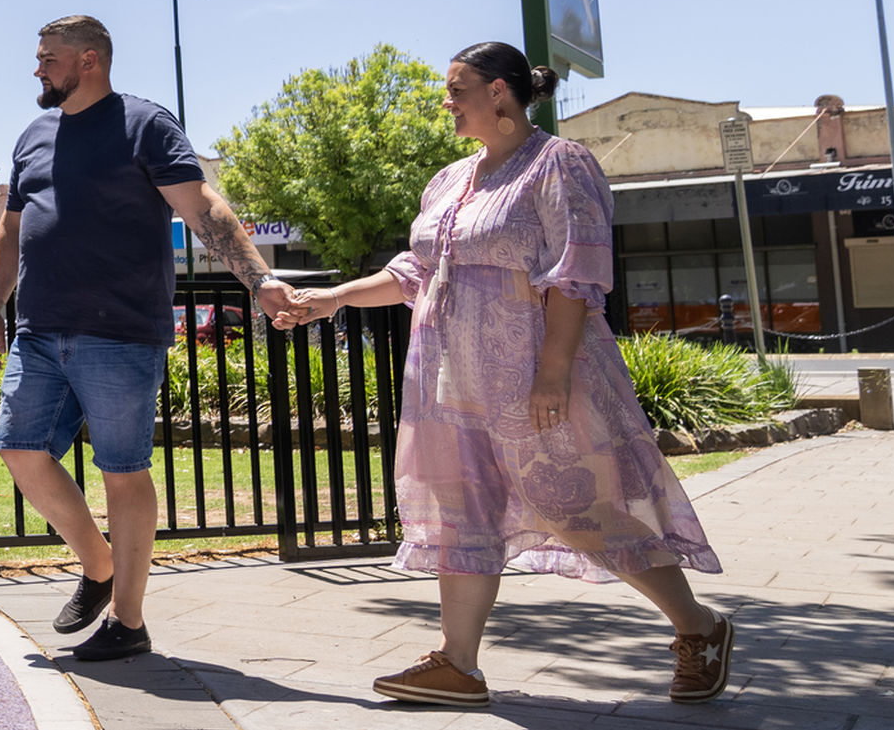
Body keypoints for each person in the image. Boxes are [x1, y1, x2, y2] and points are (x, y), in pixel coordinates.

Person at [277, 42, 730, 707]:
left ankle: (699, 625)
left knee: (578, 506)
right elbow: (417, 270)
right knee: (463, 511)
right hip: (449, 381)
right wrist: (335, 296)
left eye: (456, 88)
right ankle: (458, 663)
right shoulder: (449, 181)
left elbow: (576, 275)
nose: (446, 101)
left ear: (498, 92)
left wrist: (552, 374)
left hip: (533, 373)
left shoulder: (559, 165)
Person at [0, 16, 296, 663]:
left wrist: (258, 279)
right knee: (19, 448)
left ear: (88, 59)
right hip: (40, 329)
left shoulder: (144, 123)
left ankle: (128, 618)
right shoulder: (33, 135)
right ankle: (99, 565)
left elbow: (201, 203)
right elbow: (10, 232)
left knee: (123, 469)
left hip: (119, 331)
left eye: (49, 57)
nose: (38, 67)